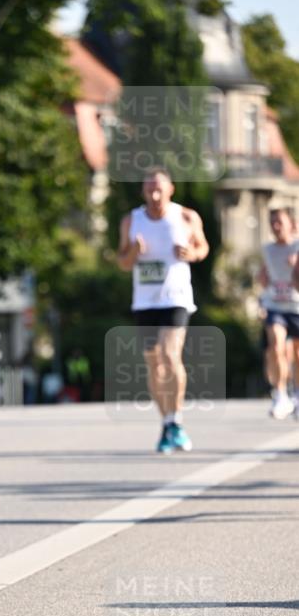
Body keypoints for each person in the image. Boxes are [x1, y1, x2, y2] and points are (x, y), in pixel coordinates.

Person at [117, 168, 209, 453]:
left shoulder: (186, 217)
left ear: (171, 189)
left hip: (176, 297)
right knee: (154, 363)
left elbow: (203, 247)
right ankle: (167, 422)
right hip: (145, 301)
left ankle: (177, 420)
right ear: (143, 192)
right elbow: (122, 262)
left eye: (159, 189)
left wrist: (191, 254)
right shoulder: (132, 220)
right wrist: (133, 251)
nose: (154, 195)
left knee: (171, 355)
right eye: (149, 190)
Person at [258, 207, 299, 419]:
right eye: (272, 222)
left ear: (291, 224)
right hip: (275, 305)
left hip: (297, 306)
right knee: (276, 345)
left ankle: (297, 395)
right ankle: (281, 395)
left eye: (279, 222)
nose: (275, 227)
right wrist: (261, 295)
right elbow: (264, 275)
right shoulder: (268, 249)